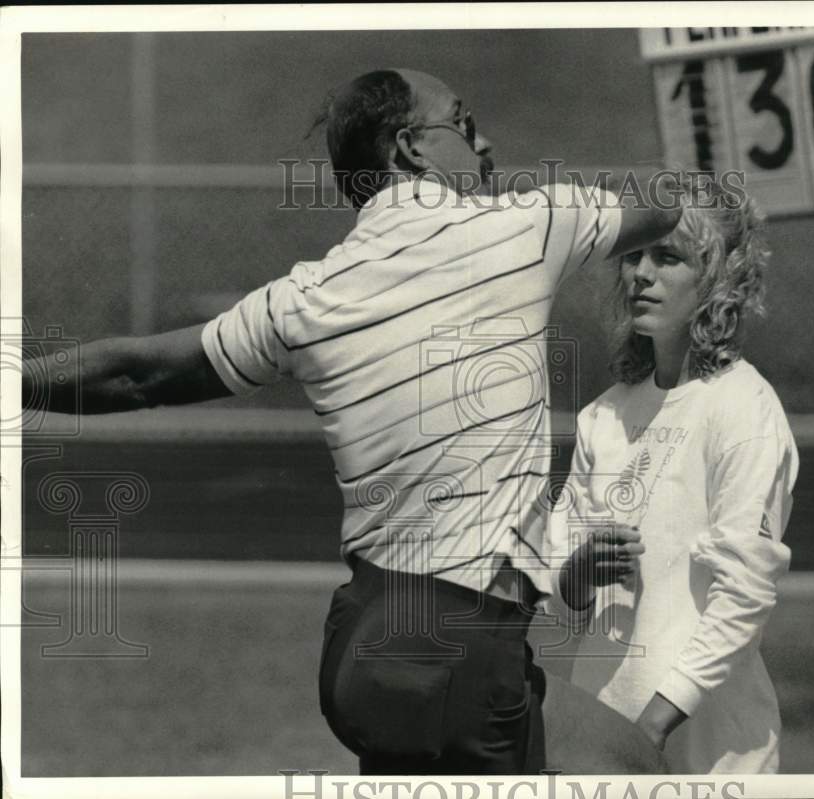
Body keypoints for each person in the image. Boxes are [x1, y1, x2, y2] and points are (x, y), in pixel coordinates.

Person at [24, 69, 684, 774]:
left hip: (361, 649)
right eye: (462, 124)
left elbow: (139, 371)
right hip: (456, 651)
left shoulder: (306, 295)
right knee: (635, 769)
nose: (485, 144)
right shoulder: (525, 225)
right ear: (410, 148)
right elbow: (661, 208)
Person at [550, 176, 798, 773]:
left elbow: (742, 595)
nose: (641, 273)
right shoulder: (603, 415)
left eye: (668, 257)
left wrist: (653, 726)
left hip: (709, 752)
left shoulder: (743, 408)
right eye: (633, 256)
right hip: (600, 733)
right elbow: (560, 588)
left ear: (717, 279)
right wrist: (578, 571)